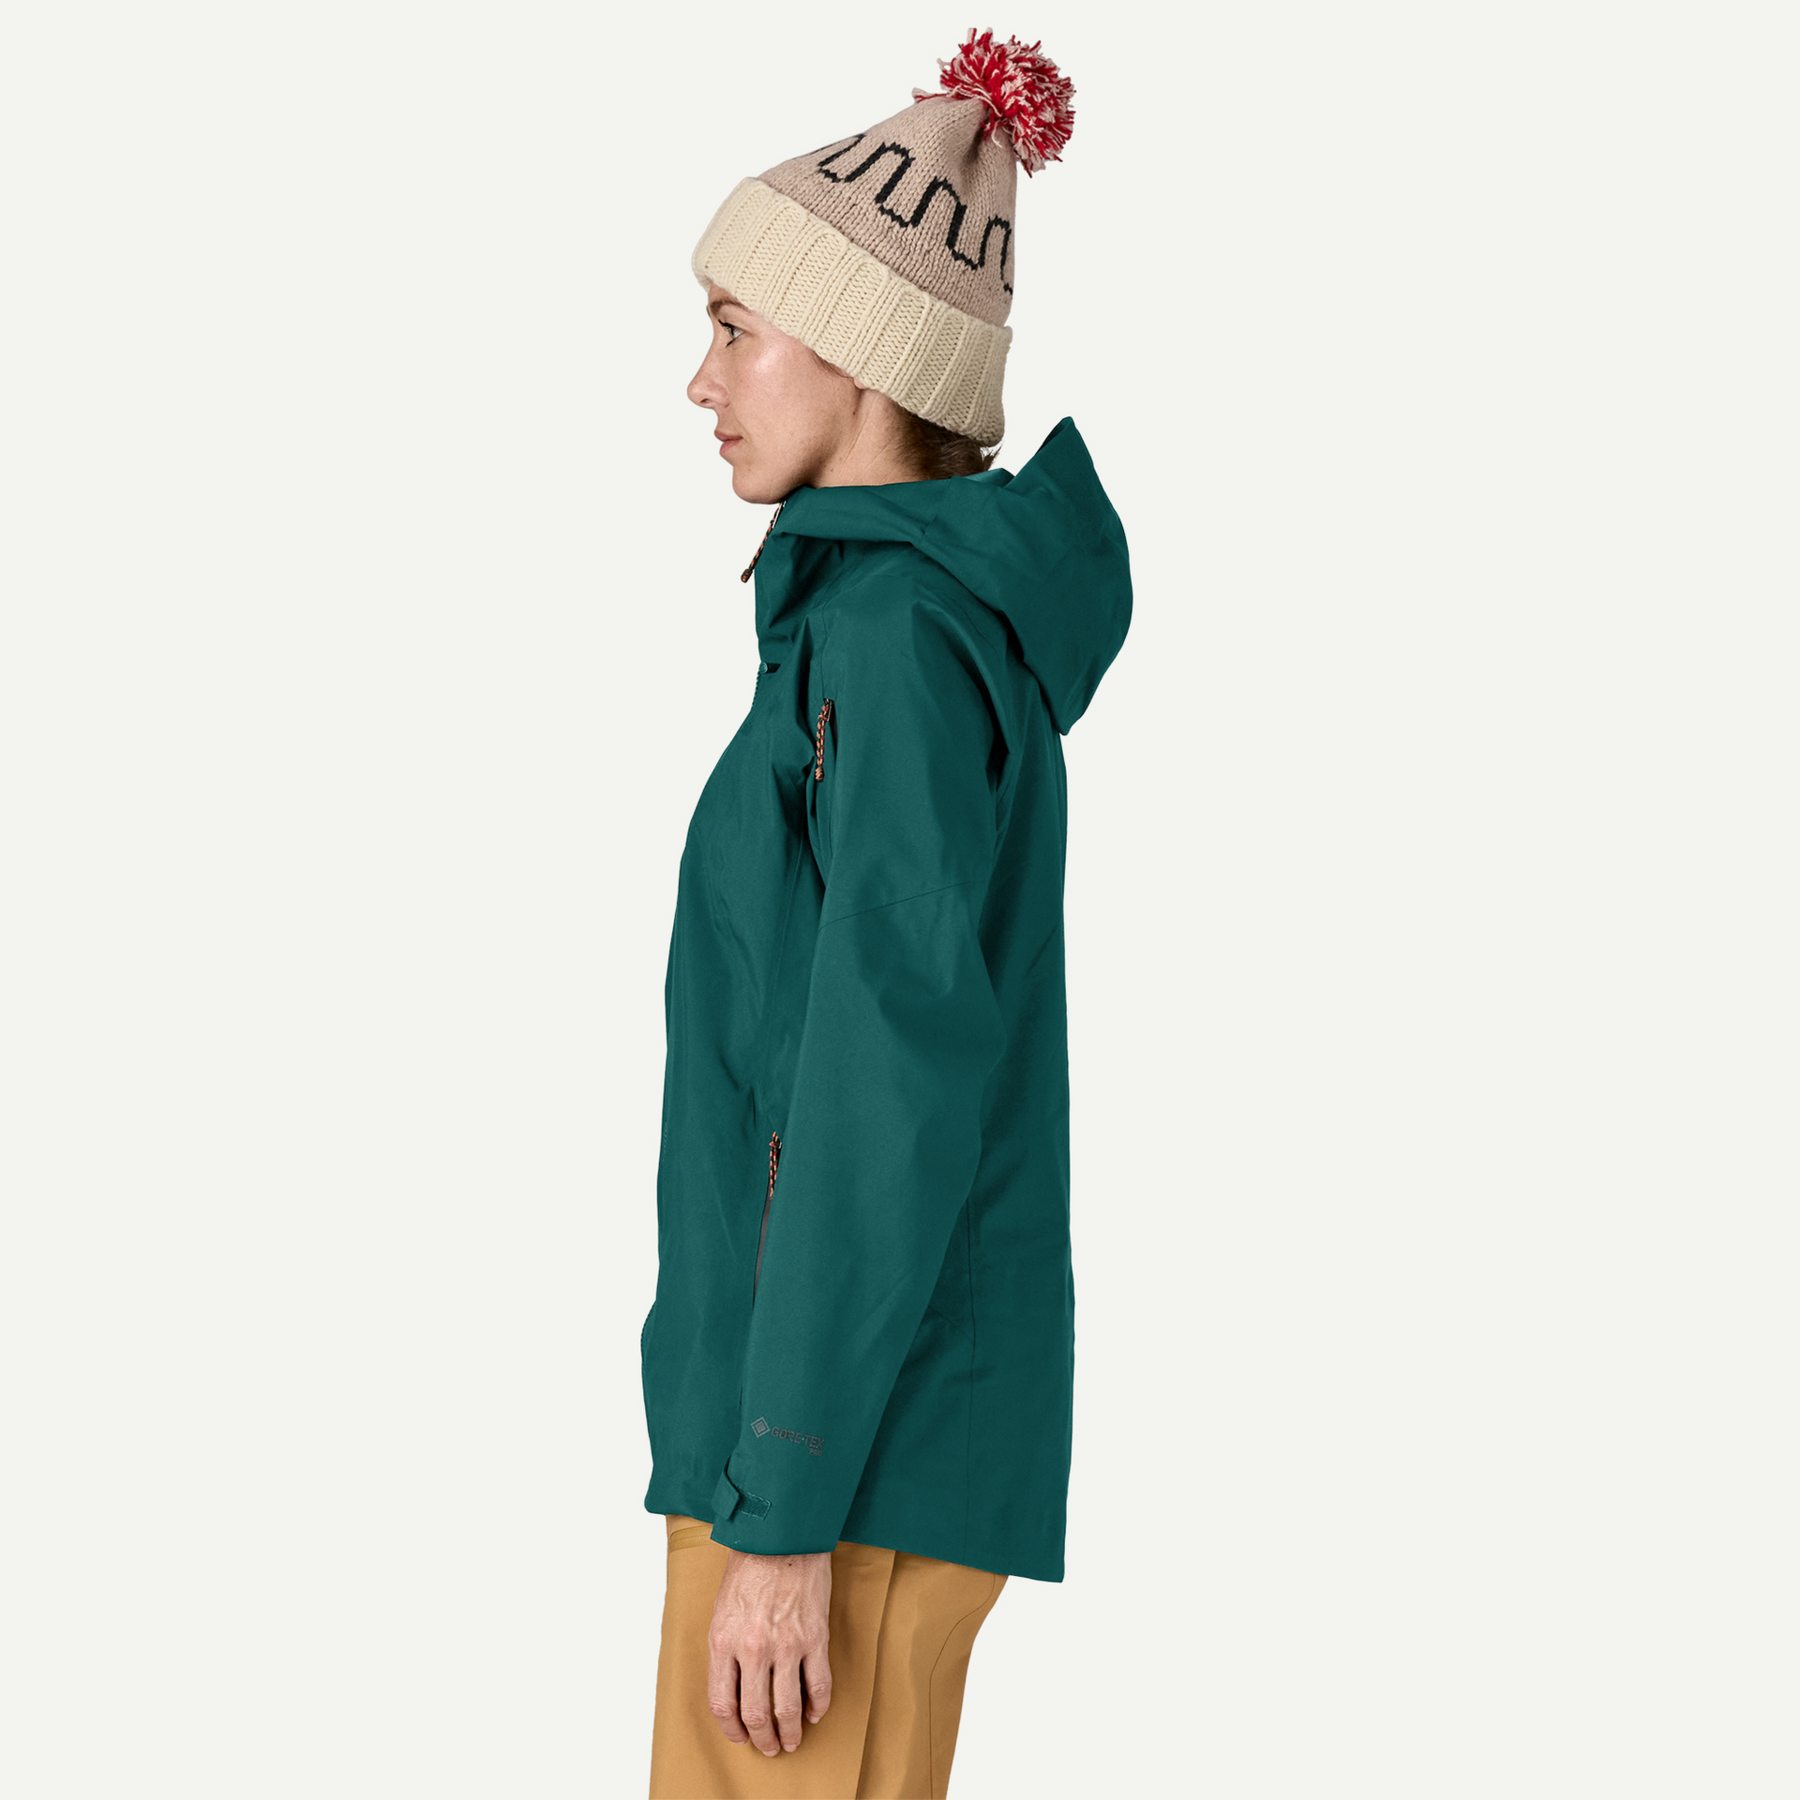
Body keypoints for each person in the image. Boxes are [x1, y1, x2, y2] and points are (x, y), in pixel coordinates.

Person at [639, 32, 1131, 1798]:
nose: (700, 381)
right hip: (810, 1462)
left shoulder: (896, 649)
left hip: (834, 1482)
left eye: (732, 328)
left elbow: (880, 1089)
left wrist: (781, 1507)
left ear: (853, 355)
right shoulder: (868, 635)